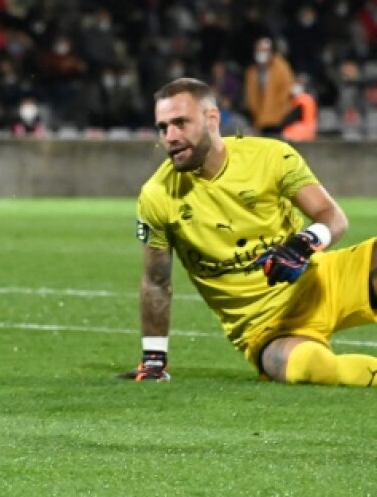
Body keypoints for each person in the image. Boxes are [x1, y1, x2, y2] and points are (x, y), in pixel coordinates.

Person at [122, 77, 377, 386]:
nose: (170, 137)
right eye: (163, 128)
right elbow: (156, 281)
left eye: (180, 123)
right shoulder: (157, 196)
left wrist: (301, 246)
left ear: (211, 118)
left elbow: (332, 217)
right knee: (315, 368)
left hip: (325, 281)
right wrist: (153, 361)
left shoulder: (269, 156)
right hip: (266, 329)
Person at [243, 36, 294, 135]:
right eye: (259, 50)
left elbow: (285, 94)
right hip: (259, 121)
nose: (261, 53)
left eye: (264, 50)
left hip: (279, 121)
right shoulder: (252, 72)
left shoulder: (282, 68)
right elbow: (251, 99)